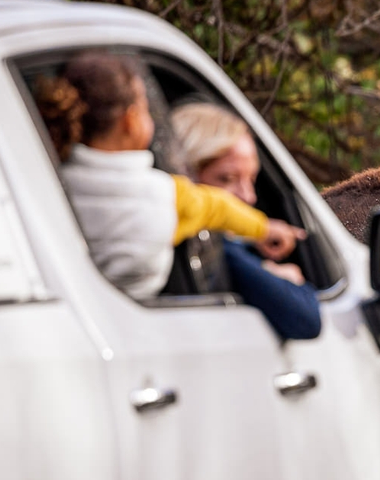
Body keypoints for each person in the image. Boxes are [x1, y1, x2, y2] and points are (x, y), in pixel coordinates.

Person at [36, 51, 304, 303]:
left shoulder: (46, 182)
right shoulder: (162, 195)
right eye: (146, 108)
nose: (248, 194)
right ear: (131, 121)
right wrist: (264, 228)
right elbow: (217, 208)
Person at [171, 102, 321, 339]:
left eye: (252, 179)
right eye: (228, 178)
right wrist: (281, 281)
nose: (248, 196)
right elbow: (306, 319)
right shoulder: (209, 247)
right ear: (187, 175)